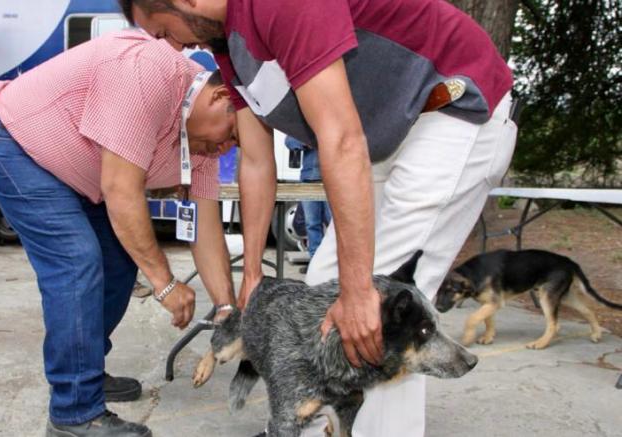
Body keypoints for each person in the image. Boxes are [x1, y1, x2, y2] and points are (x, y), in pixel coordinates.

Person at [123, 1, 518, 435]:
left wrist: (357, 291)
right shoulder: (228, 47)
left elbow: (341, 136)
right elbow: (256, 160)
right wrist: (253, 272)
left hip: (454, 112)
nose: (176, 47)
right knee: (329, 287)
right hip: (393, 135)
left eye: (163, 31)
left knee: (382, 313)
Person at [0, 30, 238, 437]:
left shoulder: (200, 146)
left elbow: (206, 226)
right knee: (77, 261)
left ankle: (84, 371)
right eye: (230, 137)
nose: (225, 151)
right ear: (220, 99)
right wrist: (166, 285)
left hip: (78, 175)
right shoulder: (153, 71)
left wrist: (225, 309)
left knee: (117, 263)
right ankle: (74, 412)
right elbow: (120, 191)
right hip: (17, 143)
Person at [284, 135, 332, 269]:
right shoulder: (302, 126)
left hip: (331, 179)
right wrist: (308, 140)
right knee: (312, 224)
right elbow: (289, 141)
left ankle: (335, 263)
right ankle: (315, 263)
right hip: (308, 179)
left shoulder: (331, 121)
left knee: (334, 224)